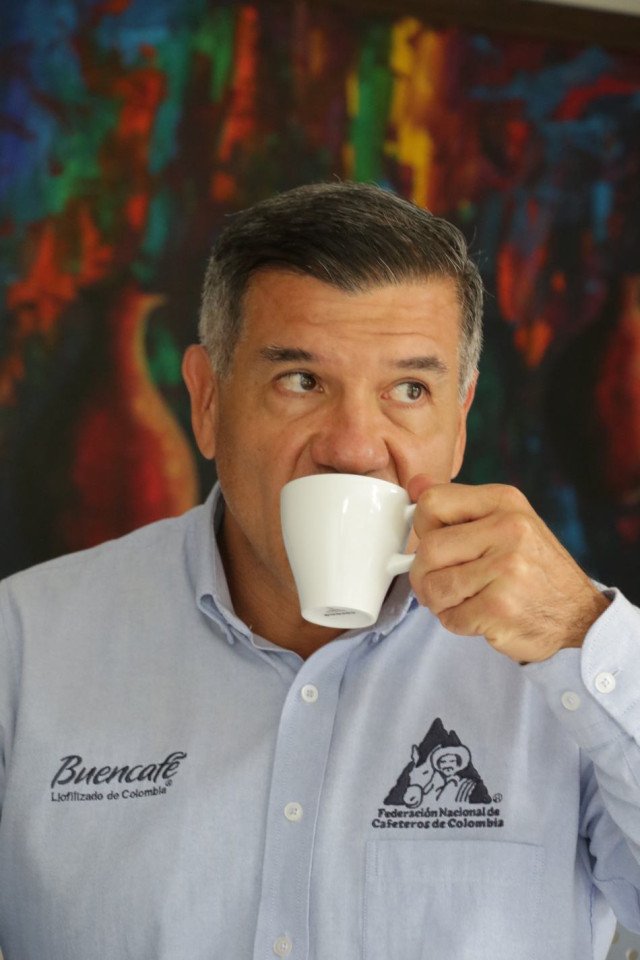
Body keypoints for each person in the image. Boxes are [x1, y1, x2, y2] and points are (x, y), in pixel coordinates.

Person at [0, 181, 639, 960]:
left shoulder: (574, 662)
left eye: (409, 389)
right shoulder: (23, 643)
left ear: (460, 422)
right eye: (301, 381)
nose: (354, 448)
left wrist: (582, 636)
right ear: (207, 401)